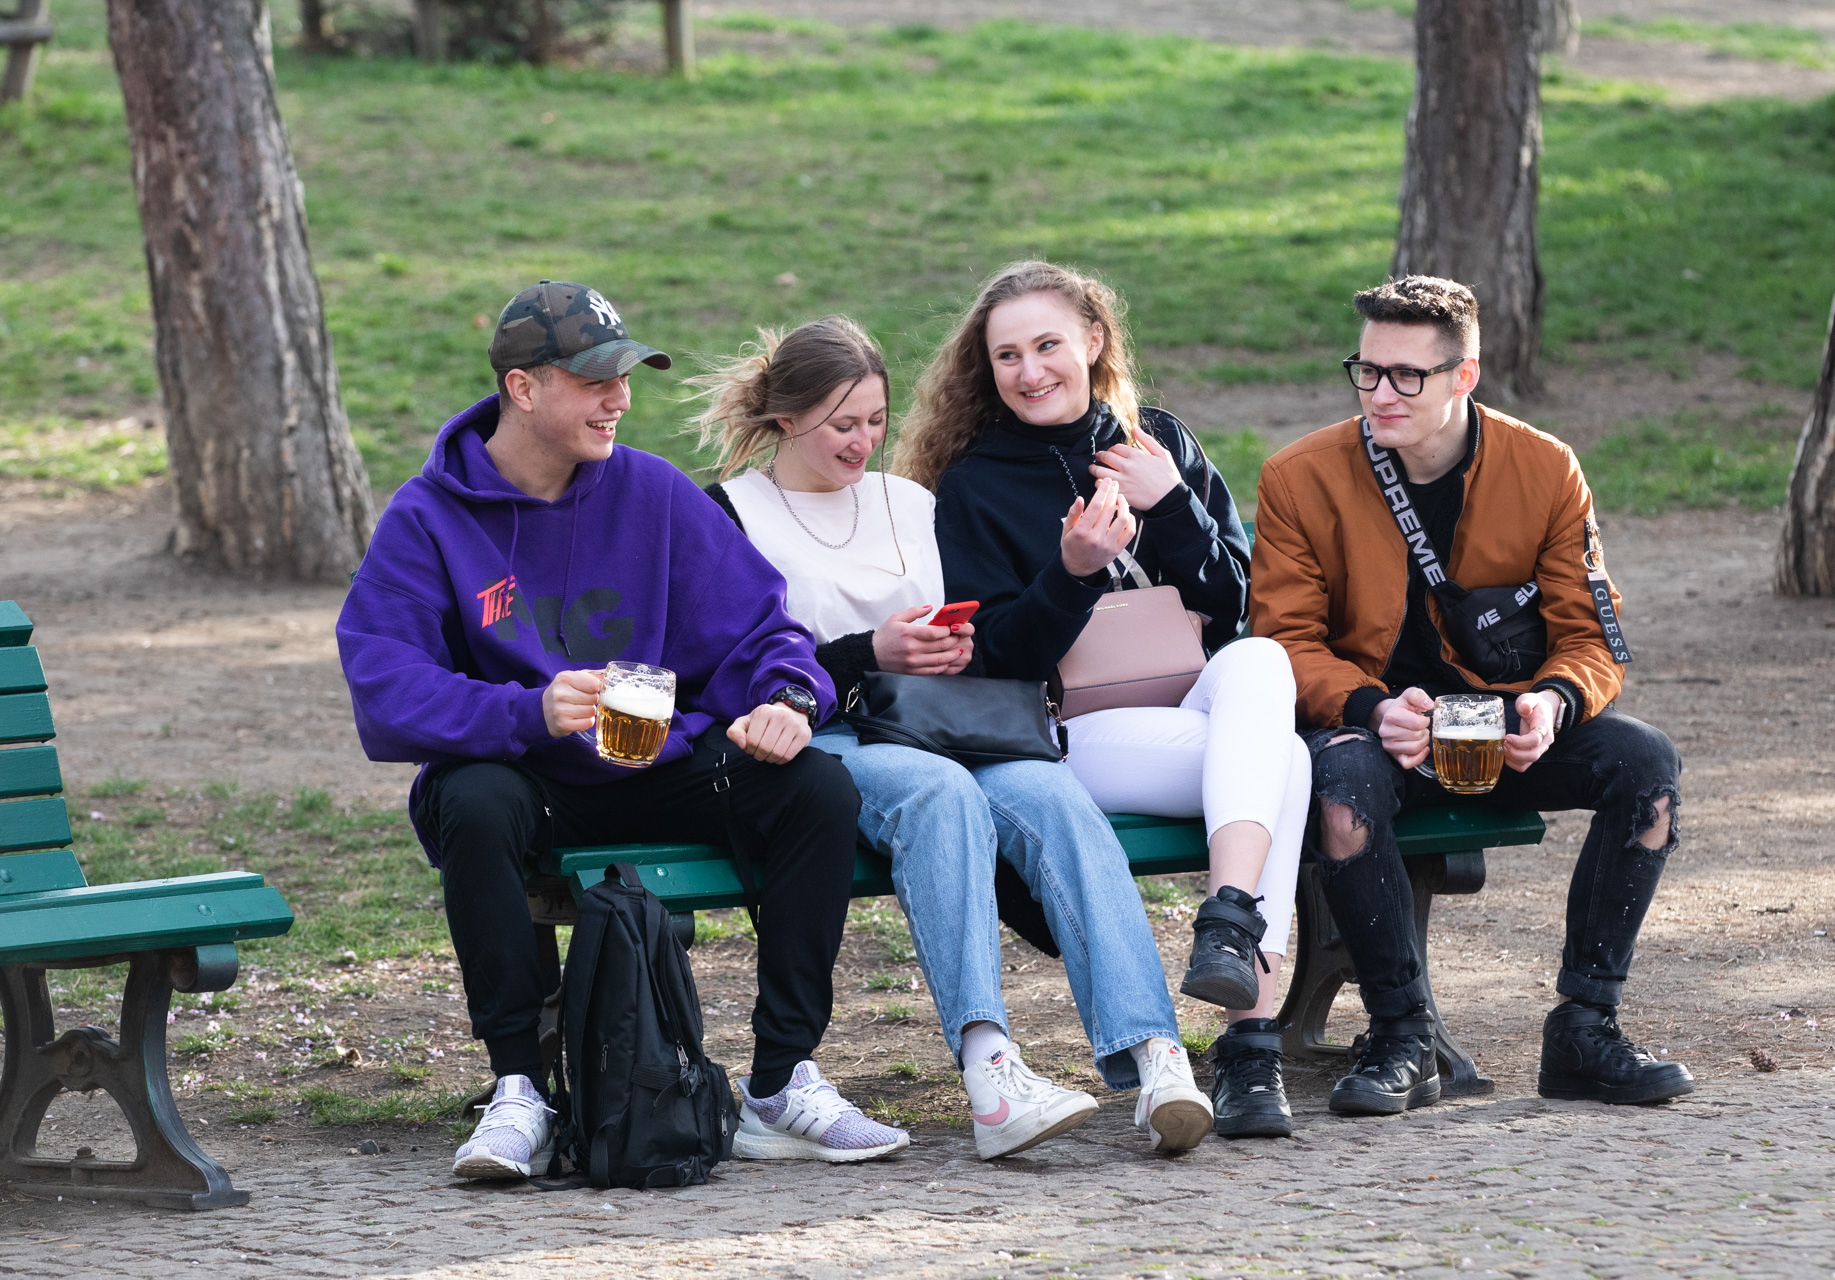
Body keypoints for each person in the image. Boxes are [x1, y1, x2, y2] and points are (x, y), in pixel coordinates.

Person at [336, 281, 910, 1181]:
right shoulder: (428, 517)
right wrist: (521, 712)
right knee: (471, 799)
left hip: (657, 761)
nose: (621, 398)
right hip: (530, 780)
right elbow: (383, 683)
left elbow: (764, 632)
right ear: (523, 389)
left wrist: (791, 701)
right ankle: (519, 1092)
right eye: (596, 379)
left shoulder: (648, 490)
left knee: (814, 789)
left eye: (629, 377)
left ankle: (779, 1083)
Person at [691, 315, 1213, 1156]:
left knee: (1055, 798)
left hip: (944, 725)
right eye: (839, 425)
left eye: (873, 421)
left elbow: (977, 644)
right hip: (830, 741)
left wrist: (955, 646)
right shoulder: (731, 513)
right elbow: (728, 667)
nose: (862, 442)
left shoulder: (912, 502)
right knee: (939, 796)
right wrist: (871, 654)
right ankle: (991, 1072)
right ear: (785, 418)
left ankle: (1157, 1058)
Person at [1253, 275, 1692, 1116]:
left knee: (1647, 768)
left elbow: (1591, 634)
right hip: (1371, 730)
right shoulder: (1300, 478)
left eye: (1407, 376)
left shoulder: (1545, 468)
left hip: (1501, 721)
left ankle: (1585, 1030)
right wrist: (1372, 708)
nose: (1380, 393)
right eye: (1368, 371)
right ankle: (1400, 1034)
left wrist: (1554, 703)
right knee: (1340, 798)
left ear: (1465, 375)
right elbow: (1284, 646)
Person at [900, 261, 1311, 1140]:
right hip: (1067, 733)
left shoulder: (1156, 441)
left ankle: (1229, 924)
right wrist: (1071, 574)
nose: (1029, 370)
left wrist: (1170, 509)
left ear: (1094, 341)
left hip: (1189, 702)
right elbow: (992, 657)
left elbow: (1237, 607)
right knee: (1291, 761)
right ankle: (1250, 1044)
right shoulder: (972, 485)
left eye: (1048, 344)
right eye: (1007, 354)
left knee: (1264, 664)